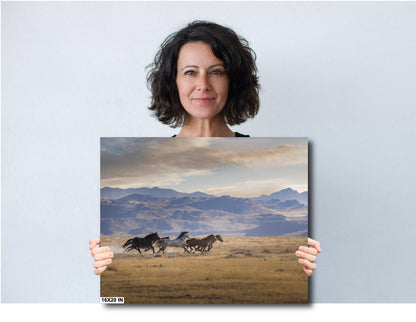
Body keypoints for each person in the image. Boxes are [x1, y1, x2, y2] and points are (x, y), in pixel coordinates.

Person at [90, 20, 321, 276]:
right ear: (173, 81)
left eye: (216, 71)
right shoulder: (139, 162)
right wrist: (110, 269)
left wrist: (299, 267)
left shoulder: (277, 164)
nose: (203, 84)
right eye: (190, 72)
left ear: (233, 81)